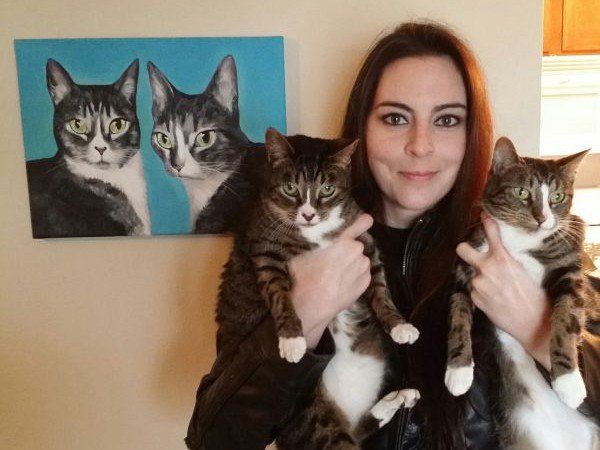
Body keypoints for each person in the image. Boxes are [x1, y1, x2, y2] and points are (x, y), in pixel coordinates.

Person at [185, 22, 600, 449]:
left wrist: (536, 326)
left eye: (447, 120)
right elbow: (214, 439)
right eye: (396, 118)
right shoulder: (279, 242)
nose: (420, 145)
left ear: (471, 135)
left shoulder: (525, 244)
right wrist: (305, 312)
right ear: (362, 130)